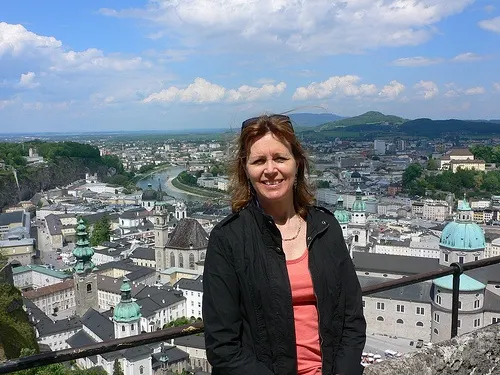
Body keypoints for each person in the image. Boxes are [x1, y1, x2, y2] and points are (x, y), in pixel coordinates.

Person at [203, 114, 366, 375]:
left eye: (280, 158)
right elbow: (223, 347)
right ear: (246, 169)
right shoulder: (228, 239)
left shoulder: (326, 228)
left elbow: (352, 318)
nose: (270, 170)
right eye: (258, 161)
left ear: (297, 162)